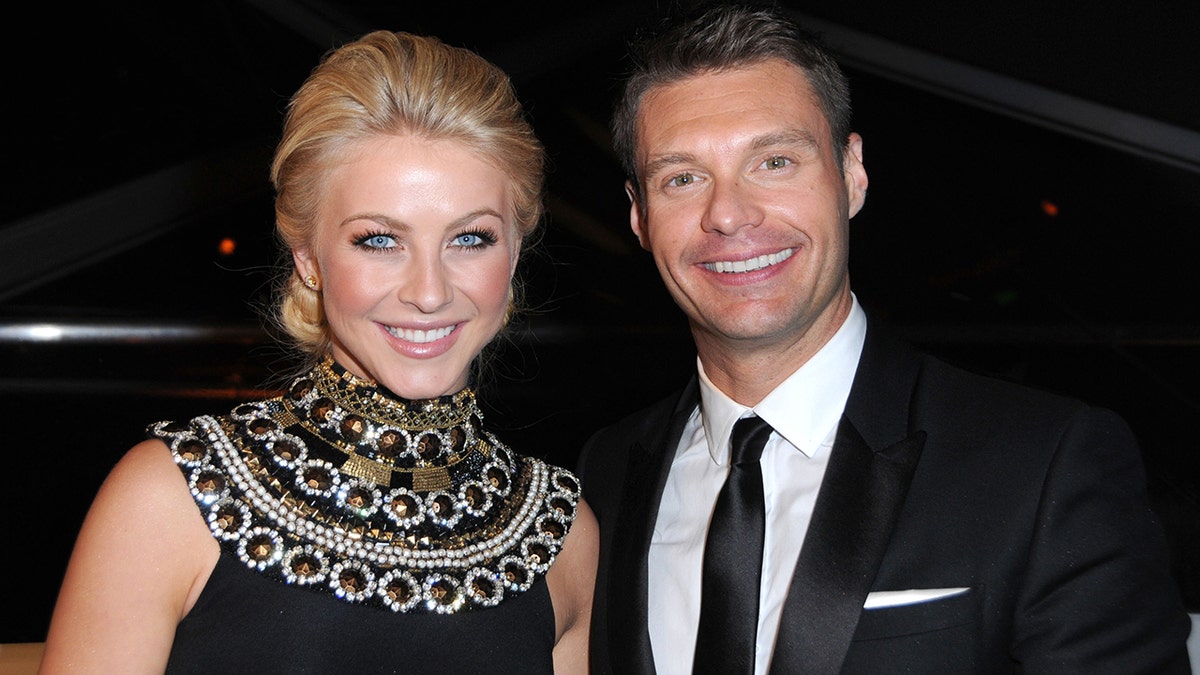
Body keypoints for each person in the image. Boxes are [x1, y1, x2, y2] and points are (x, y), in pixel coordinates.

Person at [577, 4, 1191, 674]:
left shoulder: (1046, 465)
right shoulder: (603, 476)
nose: (728, 214)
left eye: (775, 160)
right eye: (683, 178)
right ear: (639, 215)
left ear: (852, 173)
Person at [40, 30, 596, 674]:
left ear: (515, 253)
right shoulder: (170, 498)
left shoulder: (560, 532)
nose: (429, 292)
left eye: (470, 237)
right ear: (309, 259)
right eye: (379, 240)